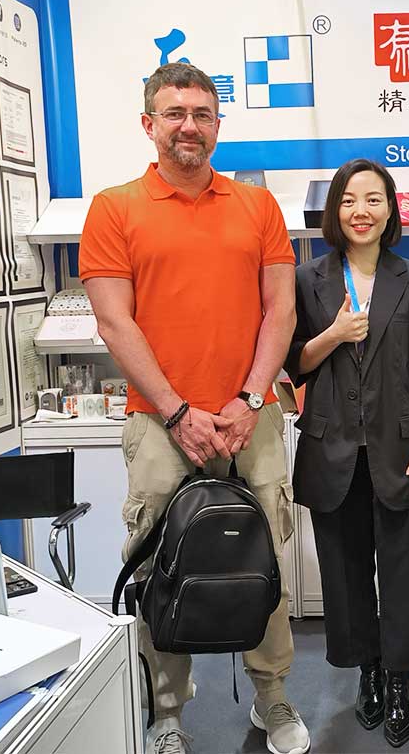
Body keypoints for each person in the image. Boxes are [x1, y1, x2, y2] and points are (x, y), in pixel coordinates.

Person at [79, 63, 308, 754]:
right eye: (175, 113)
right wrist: (179, 411)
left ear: (217, 125)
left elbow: (281, 309)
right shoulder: (115, 208)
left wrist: (248, 399)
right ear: (148, 123)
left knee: (264, 556)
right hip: (158, 423)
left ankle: (271, 695)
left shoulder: (256, 207)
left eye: (203, 113)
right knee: (158, 565)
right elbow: (115, 321)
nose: (189, 125)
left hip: (251, 419)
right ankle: (167, 710)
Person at [286, 159, 409, 748]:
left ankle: (401, 677)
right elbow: (293, 361)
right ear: (335, 210)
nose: (361, 211)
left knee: (406, 569)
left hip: (402, 446)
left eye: (374, 199)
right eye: (350, 200)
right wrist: (333, 335)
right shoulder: (308, 278)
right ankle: (368, 672)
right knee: (346, 572)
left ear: (390, 209)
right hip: (332, 447)